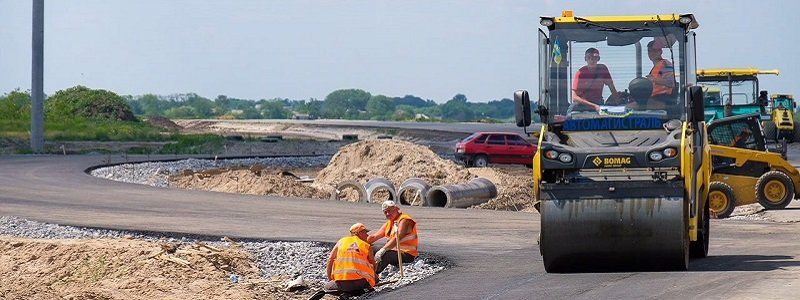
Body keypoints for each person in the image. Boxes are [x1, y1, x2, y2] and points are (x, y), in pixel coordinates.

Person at [312, 223, 376, 299]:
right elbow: (373, 264)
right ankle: (356, 292)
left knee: (327, 287)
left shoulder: (341, 241)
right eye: (365, 233)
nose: (367, 235)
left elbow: (330, 260)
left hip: (341, 283)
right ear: (359, 233)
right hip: (360, 282)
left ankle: (346, 294)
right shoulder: (366, 246)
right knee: (375, 278)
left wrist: (330, 279)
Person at [368, 200, 418, 276]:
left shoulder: (405, 220)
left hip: (407, 254)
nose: (387, 214)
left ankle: (372, 276)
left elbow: (398, 236)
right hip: (395, 253)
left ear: (396, 209)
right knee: (369, 249)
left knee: (385, 254)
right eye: (385, 212)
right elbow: (374, 237)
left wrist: (383, 250)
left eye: (389, 211)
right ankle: (362, 271)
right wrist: (358, 242)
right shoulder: (389, 223)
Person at [570, 48, 619, 112]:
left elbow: (612, 88)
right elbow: (574, 97)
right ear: (585, 59)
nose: (591, 60)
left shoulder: (603, 69)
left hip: (598, 103)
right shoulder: (580, 73)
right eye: (589, 58)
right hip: (582, 105)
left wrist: (619, 103)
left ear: (598, 59)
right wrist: (594, 106)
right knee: (571, 115)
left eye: (594, 58)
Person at [646, 40, 676, 109]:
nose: (651, 53)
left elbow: (671, 83)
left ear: (660, 51)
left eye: (654, 50)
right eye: (649, 51)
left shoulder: (665, 64)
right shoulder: (656, 67)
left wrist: (653, 79)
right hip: (653, 99)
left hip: (662, 100)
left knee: (629, 108)